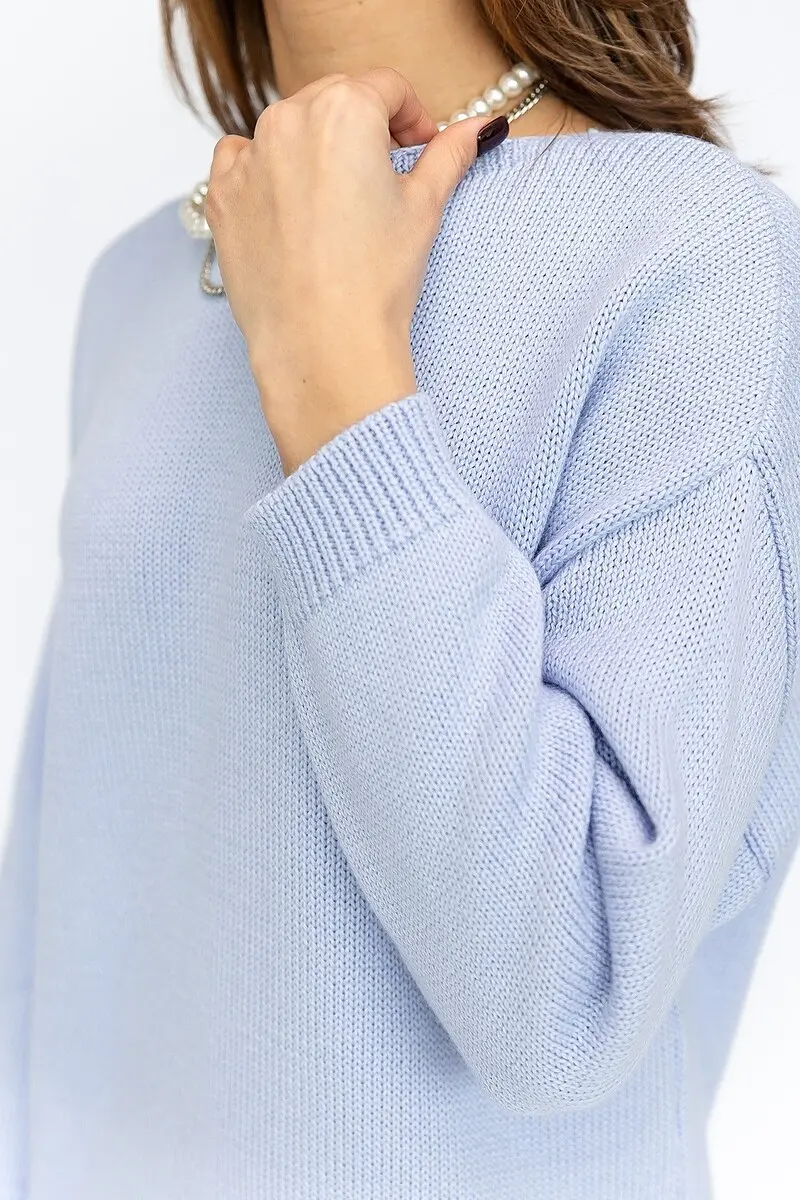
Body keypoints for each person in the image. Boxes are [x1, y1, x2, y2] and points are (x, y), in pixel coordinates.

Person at [2, 0, 799, 1196]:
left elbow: (566, 992)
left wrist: (334, 378)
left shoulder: (690, 252)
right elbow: (71, 961)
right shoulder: (145, 280)